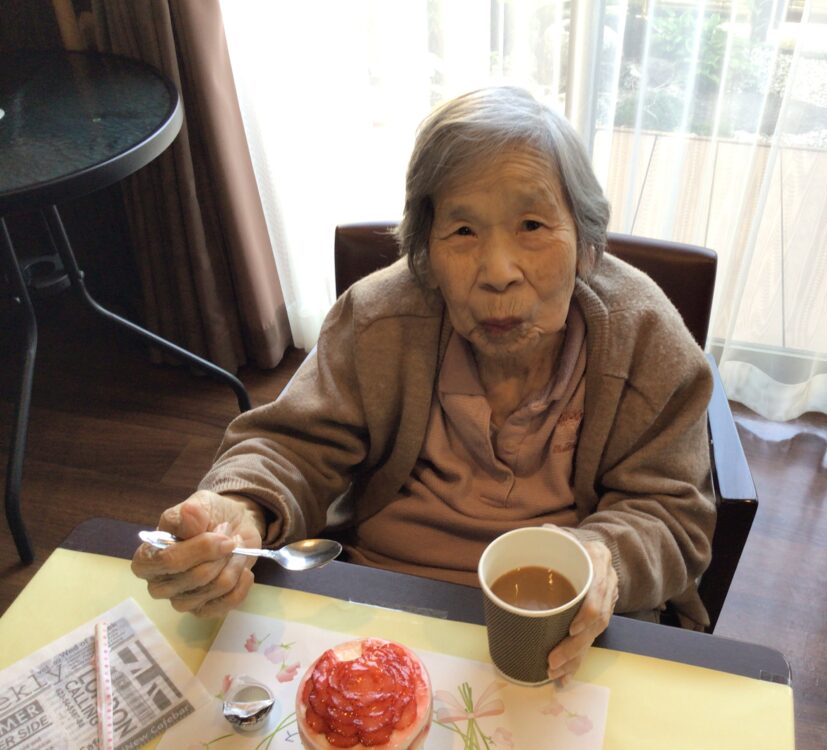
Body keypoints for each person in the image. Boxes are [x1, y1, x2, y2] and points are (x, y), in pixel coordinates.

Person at [132, 86, 716, 683]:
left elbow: (673, 513)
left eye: (532, 224)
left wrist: (605, 555)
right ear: (426, 254)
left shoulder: (645, 337)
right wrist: (242, 507)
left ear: (586, 243)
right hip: (380, 605)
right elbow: (291, 445)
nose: (497, 272)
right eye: (462, 231)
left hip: (561, 630)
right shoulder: (379, 319)